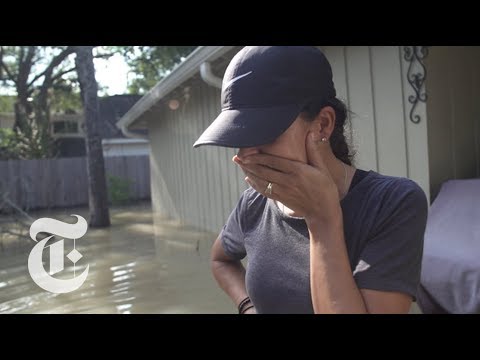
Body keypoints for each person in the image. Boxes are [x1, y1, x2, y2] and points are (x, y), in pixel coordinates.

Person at [193, 46, 428, 314]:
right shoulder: (254, 203)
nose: (246, 156)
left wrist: (322, 218)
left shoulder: (392, 203)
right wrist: (248, 306)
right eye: (239, 139)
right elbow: (220, 260)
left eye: (264, 133)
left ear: (323, 125)